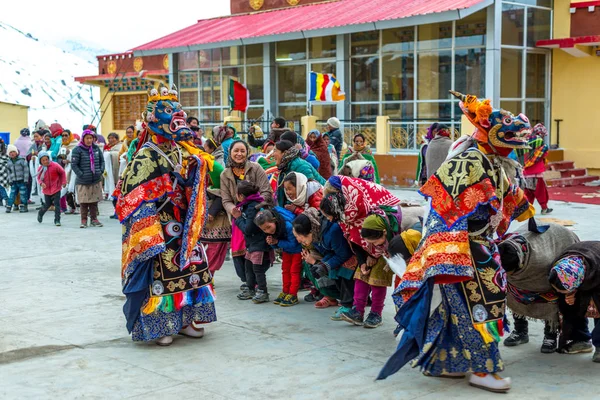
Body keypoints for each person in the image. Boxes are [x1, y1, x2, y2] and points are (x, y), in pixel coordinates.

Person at [378, 91, 535, 393]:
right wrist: (452, 247)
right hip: (459, 249)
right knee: (482, 309)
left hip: (480, 247)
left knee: (457, 311)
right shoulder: (468, 160)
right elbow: (440, 208)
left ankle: (446, 363)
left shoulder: (492, 160)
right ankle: (482, 369)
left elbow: (508, 202)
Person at [116, 85, 217, 346]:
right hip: (159, 224)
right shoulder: (145, 155)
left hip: (183, 222)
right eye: (169, 111)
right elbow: (129, 196)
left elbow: (190, 179)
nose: (177, 115)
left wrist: (196, 170)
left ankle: (185, 320)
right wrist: (149, 224)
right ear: (153, 119)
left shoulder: (182, 149)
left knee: (191, 269)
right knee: (162, 274)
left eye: (177, 109)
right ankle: (161, 325)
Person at [498, 221, 580, 353]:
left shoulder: (541, 261)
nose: (508, 274)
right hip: (524, 253)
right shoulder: (503, 247)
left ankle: (550, 334)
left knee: (551, 295)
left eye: (509, 272)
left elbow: (552, 281)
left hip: (556, 242)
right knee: (512, 292)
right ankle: (520, 330)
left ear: (520, 263)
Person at [221, 140, 273, 295]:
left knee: (257, 250)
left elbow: (266, 191)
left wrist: (253, 206)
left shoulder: (255, 168)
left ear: (247, 152)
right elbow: (225, 200)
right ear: (230, 152)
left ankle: (258, 282)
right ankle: (247, 281)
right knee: (239, 251)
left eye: (242, 151)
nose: (239, 154)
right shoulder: (225, 174)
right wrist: (234, 210)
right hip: (238, 217)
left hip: (256, 215)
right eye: (236, 150)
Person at [340, 211, 400, 328]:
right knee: (360, 276)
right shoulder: (361, 229)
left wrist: (377, 255)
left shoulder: (394, 232)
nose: (374, 244)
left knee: (377, 280)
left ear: (384, 233)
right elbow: (358, 245)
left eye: (375, 242)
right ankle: (357, 311)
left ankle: (376, 314)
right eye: (369, 242)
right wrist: (363, 261)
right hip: (367, 255)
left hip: (387, 254)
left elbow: (396, 250)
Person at [293, 209, 356, 320]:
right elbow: (328, 252)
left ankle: (348, 304)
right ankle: (334, 297)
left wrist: (324, 265)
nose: (298, 240)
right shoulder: (317, 235)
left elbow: (343, 254)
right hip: (339, 255)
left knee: (341, 268)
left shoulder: (333, 231)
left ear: (310, 232)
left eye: (300, 237)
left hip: (353, 256)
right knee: (312, 266)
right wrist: (321, 264)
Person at [548, 242, 600, 363]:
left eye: (568, 290)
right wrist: (569, 295)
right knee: (567, 304)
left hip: (597, 271)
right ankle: (581, 339)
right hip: (584, 276)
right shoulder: (559, 268)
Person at [255, 207, 303, 307]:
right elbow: (277, 245)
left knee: (294, 272)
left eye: (268, 227)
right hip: (287, 251)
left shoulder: (288, 226)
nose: (267, 230)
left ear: (274, 221)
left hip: (297, 251)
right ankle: (285, 292)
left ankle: (293, 294)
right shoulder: (273, 230)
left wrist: (277, 242)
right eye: (264, 229)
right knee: (285, 271)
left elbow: (293, 244)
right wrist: (272, 243)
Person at [235, 181, 273, 303]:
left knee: (258, 269)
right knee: (248, 267)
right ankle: (250, 288)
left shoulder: (253, 207)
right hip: (252, 244)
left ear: (241, 196)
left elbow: (248, 228)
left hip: (259, 244)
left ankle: (263, 291)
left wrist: (238, 218)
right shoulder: (248, 205)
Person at [273, 140, 325, 207]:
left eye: (275, 150)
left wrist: (293, 209)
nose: (272, 154)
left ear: (284, 153)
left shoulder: (300, 166)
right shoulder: (285, 167)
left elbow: (310, 192)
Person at [516, 123, 553, 215]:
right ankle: (544, 208)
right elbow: (544, 154)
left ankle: (526, 210)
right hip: (536, 173)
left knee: (528, 193)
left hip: (525, 173)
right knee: (541, 192)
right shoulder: (540, 143)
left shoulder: (524, 142)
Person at [71, 130, 105, 228]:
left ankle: (94, 219)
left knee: (94, 201)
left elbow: (102, 161)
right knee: (84, 202)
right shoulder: (77, 150)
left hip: (95, 179)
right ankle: (84, 220)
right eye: (87, 138)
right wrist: (81, 174)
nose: (89, 140)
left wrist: (100, 171)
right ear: (83, 139)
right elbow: (74, 165)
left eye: (91, 138)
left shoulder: (96, 148)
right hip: (83, 181)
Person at [36, 151, 67, 226]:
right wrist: (41, 183)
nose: (45, 161)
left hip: (56, 188)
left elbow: (62, 173)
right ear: (40, 161)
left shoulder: (55, 165)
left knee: (57, 205)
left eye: (46, 159)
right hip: (46, 190)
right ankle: (40, 213)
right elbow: (39, 178)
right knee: (47, 204)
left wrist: (63, 182)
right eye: (43, 160)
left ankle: (57, 220)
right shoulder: (40, 169)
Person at [5, 144, 30, 213]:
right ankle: (9, 206)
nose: (12, 153)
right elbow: (8, 172)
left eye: (13, 152)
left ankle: (24, 206)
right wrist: (10, 180)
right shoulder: (9, 162)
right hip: (14, 181)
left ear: (16, 152)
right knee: (12, 194)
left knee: (23, 194)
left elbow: (26, 170)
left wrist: (26, 179)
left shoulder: (21, 160)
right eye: (10, 152)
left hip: (22, 180)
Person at [103, 132, 122, 197]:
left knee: (115, 177)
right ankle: (107, 191)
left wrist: (111, 153)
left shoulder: (120, 145)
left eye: (113, 138)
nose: (111, 140)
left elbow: (119, 153)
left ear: (117, 139)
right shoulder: (106, 147)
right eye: (109, 138)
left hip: (116, 165)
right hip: (107, 166)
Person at [0, 139, 10, 206]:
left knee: (1, 186)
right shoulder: (6, 147)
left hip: (2, 169)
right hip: (5, 169)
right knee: (3, 185)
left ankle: (5, 198)